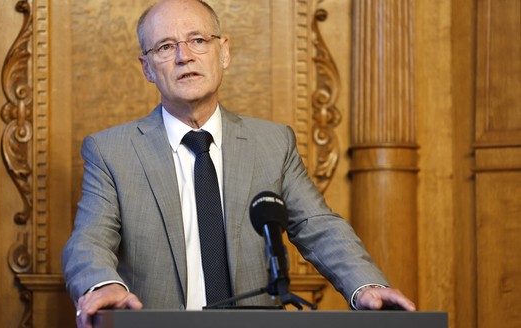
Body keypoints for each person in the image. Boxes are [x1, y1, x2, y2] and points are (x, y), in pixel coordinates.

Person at [61, 0, 416, 327]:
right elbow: (89, 239)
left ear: (224, 51)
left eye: (198, 40)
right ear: (147, 68)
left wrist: (365, 286)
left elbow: (318, 226)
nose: (185, 56)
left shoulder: (273, 144)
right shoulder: (111, 151)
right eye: (166, 47)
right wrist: (101, 285)